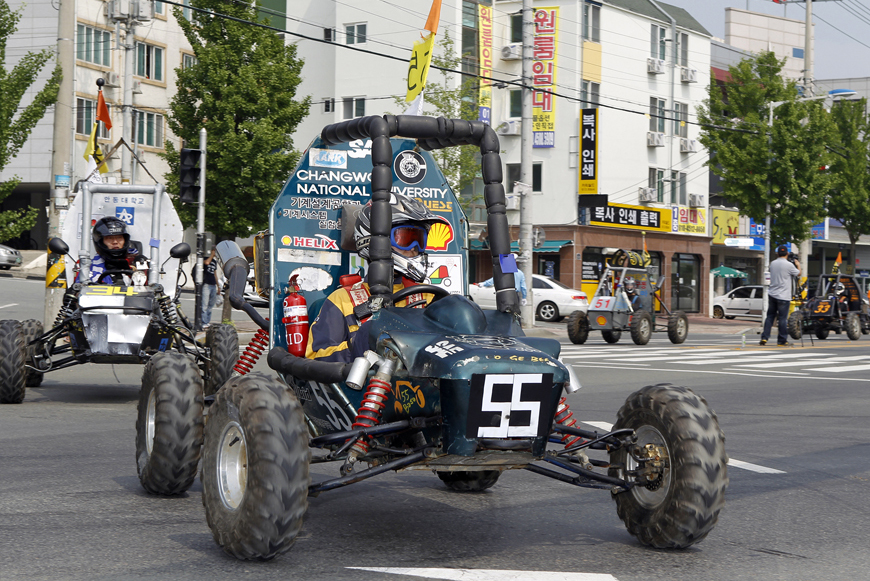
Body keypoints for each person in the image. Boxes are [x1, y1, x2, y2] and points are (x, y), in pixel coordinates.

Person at [305, 194, 443, 363]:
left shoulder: (430, 297)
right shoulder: (342, 300)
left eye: (419, 240)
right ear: (374, 240)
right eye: (406, 239)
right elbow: (317, 358)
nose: (414, 249)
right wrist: (362, 342)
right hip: (365, 387)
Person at [76, 216, 139, 284]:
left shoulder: (136, 263)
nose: (115, 242)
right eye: (109, 238)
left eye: (119, 237)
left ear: (125, 240)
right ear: (101, 241)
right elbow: (79, 290)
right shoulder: (88, 268)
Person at [760, 245, 801, 346]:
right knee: (782, 319)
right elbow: (798, 273)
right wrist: (797, 264)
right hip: (784, 296)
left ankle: (764, 337)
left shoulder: (772, 263)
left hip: (772, 294)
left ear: (777, 253)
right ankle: (782, 340)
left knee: (770, 317)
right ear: (787, 254)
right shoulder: (789, 265)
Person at [201, 247, 221, 329]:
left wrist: (218, 286)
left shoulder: (215, 262)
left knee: (210, 305)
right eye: (215, 252)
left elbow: (215, 274)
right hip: (206, 284)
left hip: (213, 284)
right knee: (204, 305)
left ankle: (207, 322)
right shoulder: (206, 258)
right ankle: (203, 322)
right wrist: (212, 255)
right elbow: (206, 263)